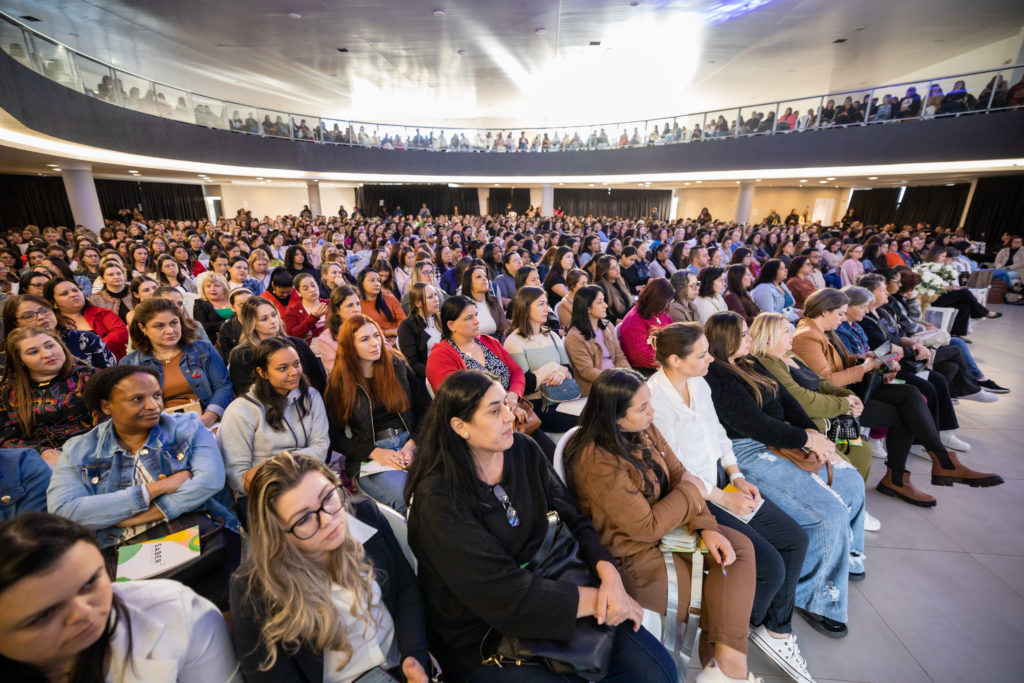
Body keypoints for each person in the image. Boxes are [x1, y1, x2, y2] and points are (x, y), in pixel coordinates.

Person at [405, 370, 677, 682]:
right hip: (487, 636)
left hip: (555, 585)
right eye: (495, 411)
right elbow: (502, 593)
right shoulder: (439, 501)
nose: (511, 416)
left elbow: (574, 518)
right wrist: (602, 599)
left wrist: (609, 575)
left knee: (658, 672)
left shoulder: (522, 449)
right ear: (459, 426)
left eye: (507, 404)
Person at [566, 368, 770, 683]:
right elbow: (648, 526)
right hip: (633, 554)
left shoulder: (643, 429)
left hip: (671, 526)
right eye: (643, 407)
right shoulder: (597, 461)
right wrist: (693, 491)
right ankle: (728, 671)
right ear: (616, 418)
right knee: (723, 596)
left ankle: (726, 670)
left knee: (738, 550)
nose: (652, 412)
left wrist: (706, 526)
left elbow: (679, 473)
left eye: (650, 402)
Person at [646, 324, 814, 681]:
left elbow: (718, 435)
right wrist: (721, 497)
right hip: (694, 498)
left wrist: (737, 477)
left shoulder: (699, 382)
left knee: (795, 540)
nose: (711, 359)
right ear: (675, 360)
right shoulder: (655, 399)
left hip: (721, 483)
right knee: (769, 565)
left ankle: (769, 629)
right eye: (702, 355)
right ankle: (725, 648)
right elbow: (675, 470)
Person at [703, 312, 865, 639]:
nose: (790, 339)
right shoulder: (721, 373)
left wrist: (815, 433)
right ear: (729, 339)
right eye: (745, 335)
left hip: (789, 435)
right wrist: (811, 436)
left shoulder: (759, 361)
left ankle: (845, 553)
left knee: (853, 478)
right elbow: (755, 422)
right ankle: (818, 595)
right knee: (834, 498)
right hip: (755, 446)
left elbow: (797, 398)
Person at [229, 453, 431, 682]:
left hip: (402, 668)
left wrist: (413, 656)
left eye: (327, 497)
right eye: (304, 518)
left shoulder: (366, 514)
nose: (328, 520)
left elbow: (406, 588)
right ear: (277, 534)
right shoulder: (253, 588)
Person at [794, 289, 1002, 504]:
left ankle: (930, 464)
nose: (842, 319)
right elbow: (826, 382)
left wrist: (866, 357)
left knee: (911, 394)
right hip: (833, 401)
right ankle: (914, 472)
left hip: (846, 390)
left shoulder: (821, 330)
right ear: (824, 311)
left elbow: (840, 360)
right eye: (840, 314)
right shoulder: (808, 337)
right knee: (908, 410)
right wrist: (868, 367)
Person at [0, 512, 241, 683]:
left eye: (89, 583)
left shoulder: (178, 611)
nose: (82, 613)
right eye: (43, 615)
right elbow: (68, 508)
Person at [47, 364, 239, 552]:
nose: (153, 406)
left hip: (203, 535)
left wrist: (132, 516)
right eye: (137, 399)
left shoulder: (187, 427)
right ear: (106, 406)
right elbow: (64, 512)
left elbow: (210, 481)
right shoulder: (79, 450)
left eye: (157, 396)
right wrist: (156, 488)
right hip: (119, 550)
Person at [425, 296, 557, 458]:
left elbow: (516, 372)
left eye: (476, 315)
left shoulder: (489, 342)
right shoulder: (441, 356)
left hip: (514, 416)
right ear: (451, 325)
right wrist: (503, 406)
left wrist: (513, 396)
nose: (476, 321)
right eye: (469, 318)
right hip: (481, 429)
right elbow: (459, 400)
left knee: (553, 457)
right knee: (531, 463)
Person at [750, 312, 873, 483]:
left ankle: (853, 501)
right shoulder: (766, 362)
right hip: (808, 427)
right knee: (847, 469)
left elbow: (821, 381)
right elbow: (802, 400)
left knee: (863, 452)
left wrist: (847, 395)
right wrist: (844, 404)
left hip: (829, 422)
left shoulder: (790, 355)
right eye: (786, 331)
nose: (791, 334)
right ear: (769, 337)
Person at [325, 315, 429, 515]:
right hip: (370, 457)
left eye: (376, 335)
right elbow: (335, 437)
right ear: (350, 346)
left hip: (410, 442)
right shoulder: (339, 383)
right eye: (365, 339)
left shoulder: (397, 366)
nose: (375, 343)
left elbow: (427, 410)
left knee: (446, 486)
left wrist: (413, 444)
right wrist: (374, 452)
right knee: (411, 499)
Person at [218, 337, 328, 498]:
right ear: (262, 373)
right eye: (283, 368)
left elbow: (321, 447)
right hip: (264, 492)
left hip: (307, 480)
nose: (293, 372)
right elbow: (238, 477)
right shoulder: (240, 411)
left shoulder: (311, 397)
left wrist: (273, 463)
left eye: (296, 364)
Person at [120, 298, 233, 428]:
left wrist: (208, 417)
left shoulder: (203, 350)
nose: (170, 331)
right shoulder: (130, 365)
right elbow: (130, 406)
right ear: (142, 328)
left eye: (174, 323)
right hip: (157, 428)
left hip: (206, 421)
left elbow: (223, 386)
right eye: (159, 326)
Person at [0, 328, 96, 465]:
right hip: (37, 463)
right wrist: (42, 453)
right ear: (20, 360)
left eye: (50, 345)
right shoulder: (7, 393)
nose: (47, 354)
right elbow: (4, 439)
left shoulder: (90, 378)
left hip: (91, 454)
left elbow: (107, 425)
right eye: (33, 352)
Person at [502, 287, 578, 434]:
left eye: (547, 304)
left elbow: (568, 369)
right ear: (525, 307)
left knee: (597, 411)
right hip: (539, 404)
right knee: (586, 418)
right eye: (541, 304)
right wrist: (552, 367)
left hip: (563, 395)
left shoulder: (553, 336)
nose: (547, 309)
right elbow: (526, 384)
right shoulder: (514, 341)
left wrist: (561, 374)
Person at [227, 297, 326, 397]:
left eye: (274, 315)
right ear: (252, 323)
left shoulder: (299, 344)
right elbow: (244, 392)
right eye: (264, 319)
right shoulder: (243, 355)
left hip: (306, 403)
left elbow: (317, 381)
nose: (273, 321)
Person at [3, 294, 116, 369]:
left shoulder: (86, 339)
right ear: (15, 323)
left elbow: (110, 374)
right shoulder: (14, 352)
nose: (41, 317)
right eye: (28, 315)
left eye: (44, 310)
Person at [564, 285, 631, 397]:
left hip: (616, 379)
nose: (605, 305)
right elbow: (587, 371)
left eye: (604, 301)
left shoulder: (608, 326)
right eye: (600, 302)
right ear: (588, 308)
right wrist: (617, 381)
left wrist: (630, 376)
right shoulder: (574, 336)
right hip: (597, 387)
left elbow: (619, 357)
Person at [45, 277, 129, 359]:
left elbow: (120, 334)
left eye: (75, 290)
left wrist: (93, 350)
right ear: (53, 302)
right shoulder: (51, 324)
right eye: (64, 293)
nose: (73, 294)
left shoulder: (102, 313)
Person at [618, 278, 674, 374]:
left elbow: (674, 334)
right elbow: (641, 356)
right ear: (655, 301)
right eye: (665, 302)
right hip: (646, 369)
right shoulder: (633, 321)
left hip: (665, 360)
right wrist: (668, 361)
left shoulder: (659, 313)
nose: (667, 306)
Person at [397, 281, 442, 379]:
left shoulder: (442, 319)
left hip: (447, 368)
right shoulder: (407, 326)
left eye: (436, 295)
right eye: (430, 297)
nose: (436, 299)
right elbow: (413, 363)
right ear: (418, 303)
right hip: (425, 377)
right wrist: (435, 375)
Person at [313, 284, 361, 374]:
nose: (356, 309)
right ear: (337, 310)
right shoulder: (326, 338)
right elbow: (337, 371)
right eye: (350, 305)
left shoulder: (370, 326)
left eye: (358, 304)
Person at [357, 268, 406, 343]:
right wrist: (390, 332)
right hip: (375, 343)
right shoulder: (358, 306)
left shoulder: (390, 299)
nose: (377, 284)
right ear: (362, 283)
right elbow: (363, 331)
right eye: (372, 280)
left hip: (399, 339)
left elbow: (403, 320)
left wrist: (397, 336)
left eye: (378, 280)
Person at [461, 264, 508, 339]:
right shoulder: (462, 304)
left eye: (485, 276)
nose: (484, 279)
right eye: (479, 277)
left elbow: (504, 329)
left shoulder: (494, 300)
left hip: (495, 344)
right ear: (469, 283)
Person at [283, 272, 329, 343]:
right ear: (298, 293)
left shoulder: (330, 303)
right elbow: (293, 334)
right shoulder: (292, 311)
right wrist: (313, 317)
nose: (312, 290)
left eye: (313, 285)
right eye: (305, 288)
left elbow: (340, 324)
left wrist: (313, 333)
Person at [88, 261, 134, 327]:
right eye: (111, 274)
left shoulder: (136, 292)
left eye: (119, 273)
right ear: (102, 279)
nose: (116, 277)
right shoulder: (95, 299)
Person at [193, 272, 234, 340]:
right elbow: (202, 327)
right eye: (208, 286)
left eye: (217, 286)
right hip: (214, 341)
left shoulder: (234, 301)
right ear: (203, 289)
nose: (212, 289)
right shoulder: (200, 304)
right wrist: (229, 322)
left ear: (225, 287)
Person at [215, 287, 253, 361]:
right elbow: (227, 357)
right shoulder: (227, 328)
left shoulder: (264, 321)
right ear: (233, 308)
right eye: (241, 305)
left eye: (250, 303)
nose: (247, 307)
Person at [594, 255, 633, 325]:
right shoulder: (599, 288)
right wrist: (620, 322)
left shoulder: (622, 281)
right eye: (612, 268)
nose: (617, 269)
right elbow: (601, 315)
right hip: (614, 326)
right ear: (604, 271)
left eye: (617, 265)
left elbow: (629, 304)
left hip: (628, 320)